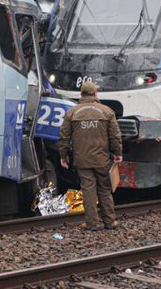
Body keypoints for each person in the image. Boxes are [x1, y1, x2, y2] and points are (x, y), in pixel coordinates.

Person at [59, 81, 123, 231]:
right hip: (102, 158)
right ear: (95, 94)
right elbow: (115, 136)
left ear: (82, 94)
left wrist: (63, 155)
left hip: (82, 159)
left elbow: (64, 137)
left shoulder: (72, 113)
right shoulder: (107, 111)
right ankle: (110, 221)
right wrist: (118, 153)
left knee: (88, 190)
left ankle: (92, 223)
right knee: (104, 189)